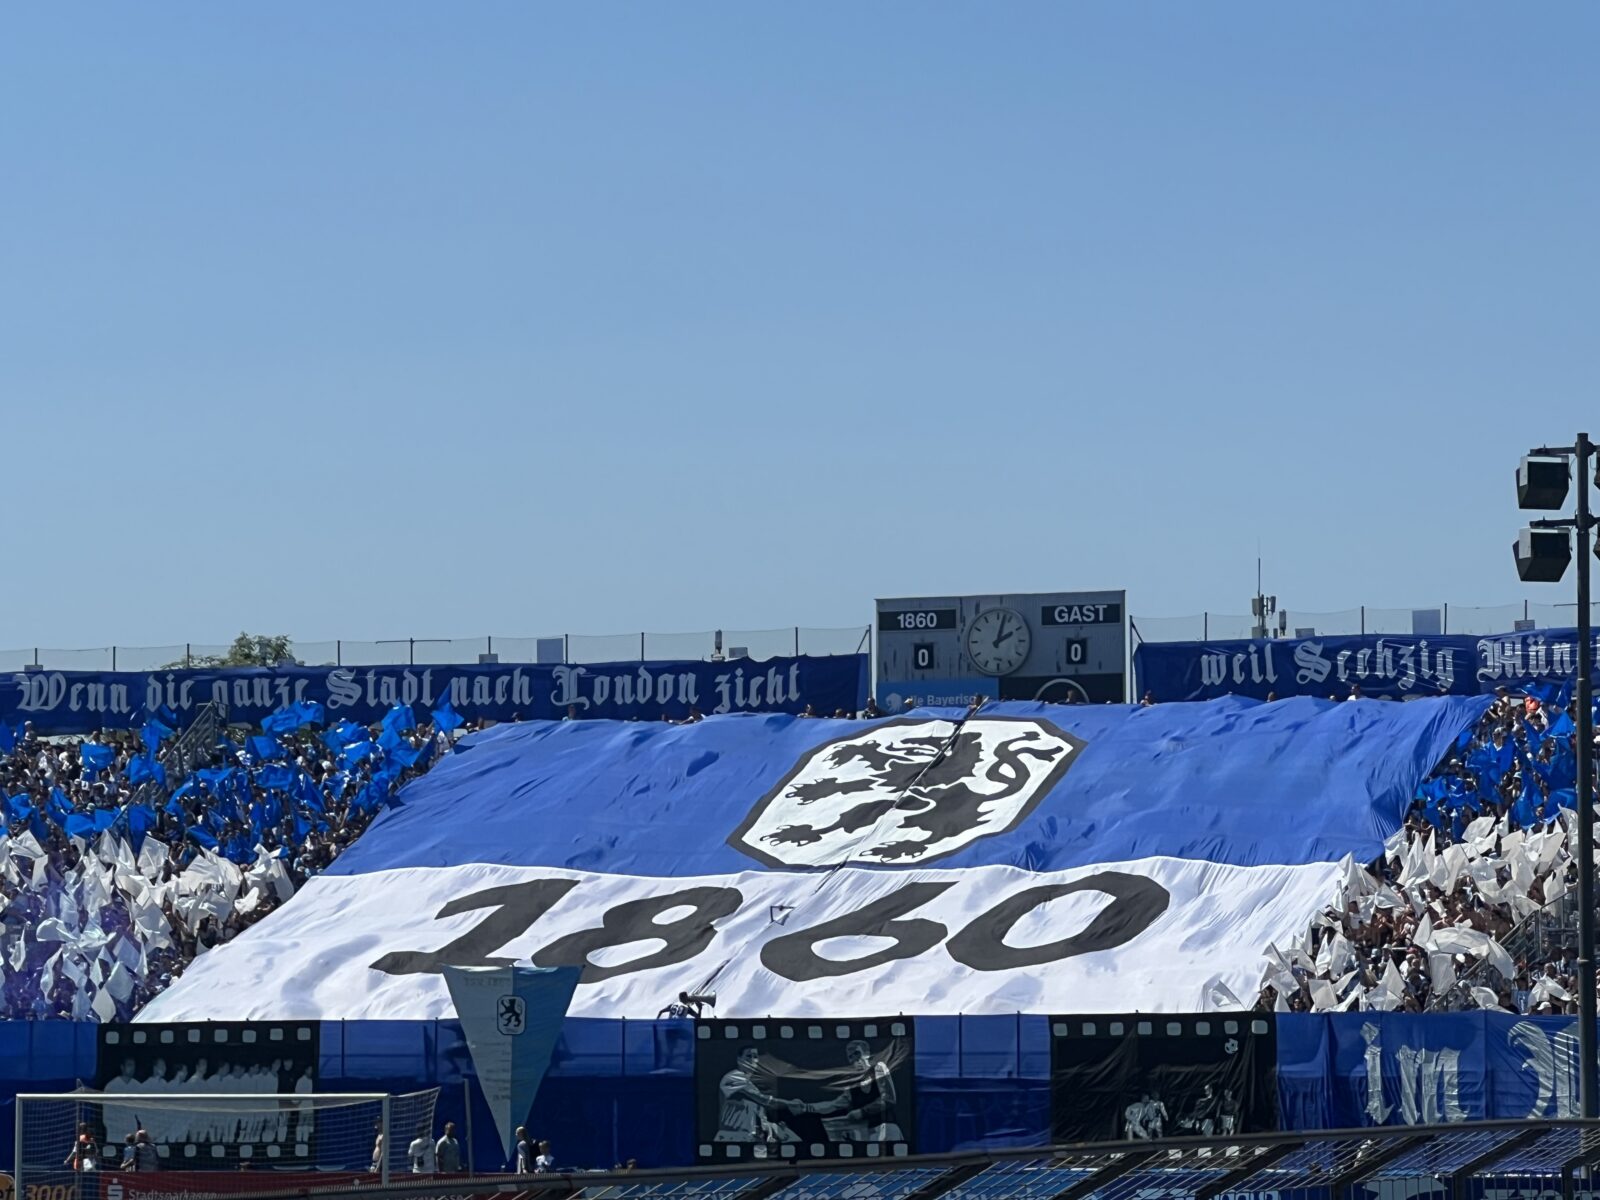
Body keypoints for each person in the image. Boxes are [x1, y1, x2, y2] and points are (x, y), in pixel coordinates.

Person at [810, 1040, 903, 1143]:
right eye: (851, 1057)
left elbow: (888, 1099)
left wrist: (862, 1112)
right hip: (868, 1133)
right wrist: (806, 1107)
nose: (855, 1060)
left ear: (867, 1053)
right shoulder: (853, 1086)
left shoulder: (879, 1068)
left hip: (886, 1128)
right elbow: (834, 1105)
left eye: (857, 1053)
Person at [713, 1048, 800, 1143]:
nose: (752, 1060)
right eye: (748, 1056)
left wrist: (773, 1128)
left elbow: (754, 1118)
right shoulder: (733, 1078)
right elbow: (763, 1099)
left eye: (755, 1057)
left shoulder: (749, 1084)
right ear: (739, 1059)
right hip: (731, 1138)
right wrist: (790, 1104)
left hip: (748, 1139)